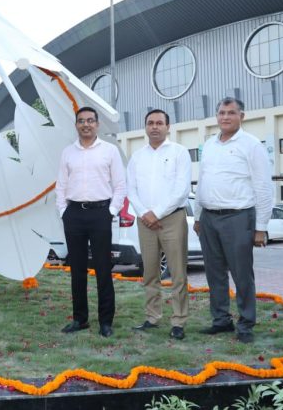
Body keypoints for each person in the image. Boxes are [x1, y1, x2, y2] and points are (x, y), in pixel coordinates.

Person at [193, 98, 273, 344]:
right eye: (221, 113)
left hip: (238, 217)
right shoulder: (209, 145)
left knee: (241, 274)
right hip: (209, 217)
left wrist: (261, 227)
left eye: (231, 113)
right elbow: (202, 180)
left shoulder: (251, 145)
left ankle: (246, 324)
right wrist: (198, 216)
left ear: (242, 116)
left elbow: (263, 186)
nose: (225, 117)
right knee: (214, 273)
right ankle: (221, 320)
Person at [56, 106, 126, 338]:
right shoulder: (68, 152)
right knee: (77, 270)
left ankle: (105, 321)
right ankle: (80, 319)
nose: (85, 124)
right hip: (74, 214)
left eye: (90, 120)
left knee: (103, 269)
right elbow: (61, 186)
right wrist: (63, 212)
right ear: (76, 124)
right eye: (81, 121)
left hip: (100, 214)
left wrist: (111, 211)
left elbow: (120, 185)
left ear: (97, 124)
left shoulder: (109, 151)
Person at [127, 109, 191, 340]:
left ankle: (179, 320)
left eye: (159, 123)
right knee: (150, 271)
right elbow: (131, 189)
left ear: (168, 127)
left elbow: (181, 189)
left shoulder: (179, 152)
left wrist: (157, 213)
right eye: (150, 123)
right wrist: (145, 213)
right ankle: (152, 316)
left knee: (177, 272)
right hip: (145, 220)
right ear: (145, 127)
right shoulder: (137, 157)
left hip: (172, 218)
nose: (154, 127)